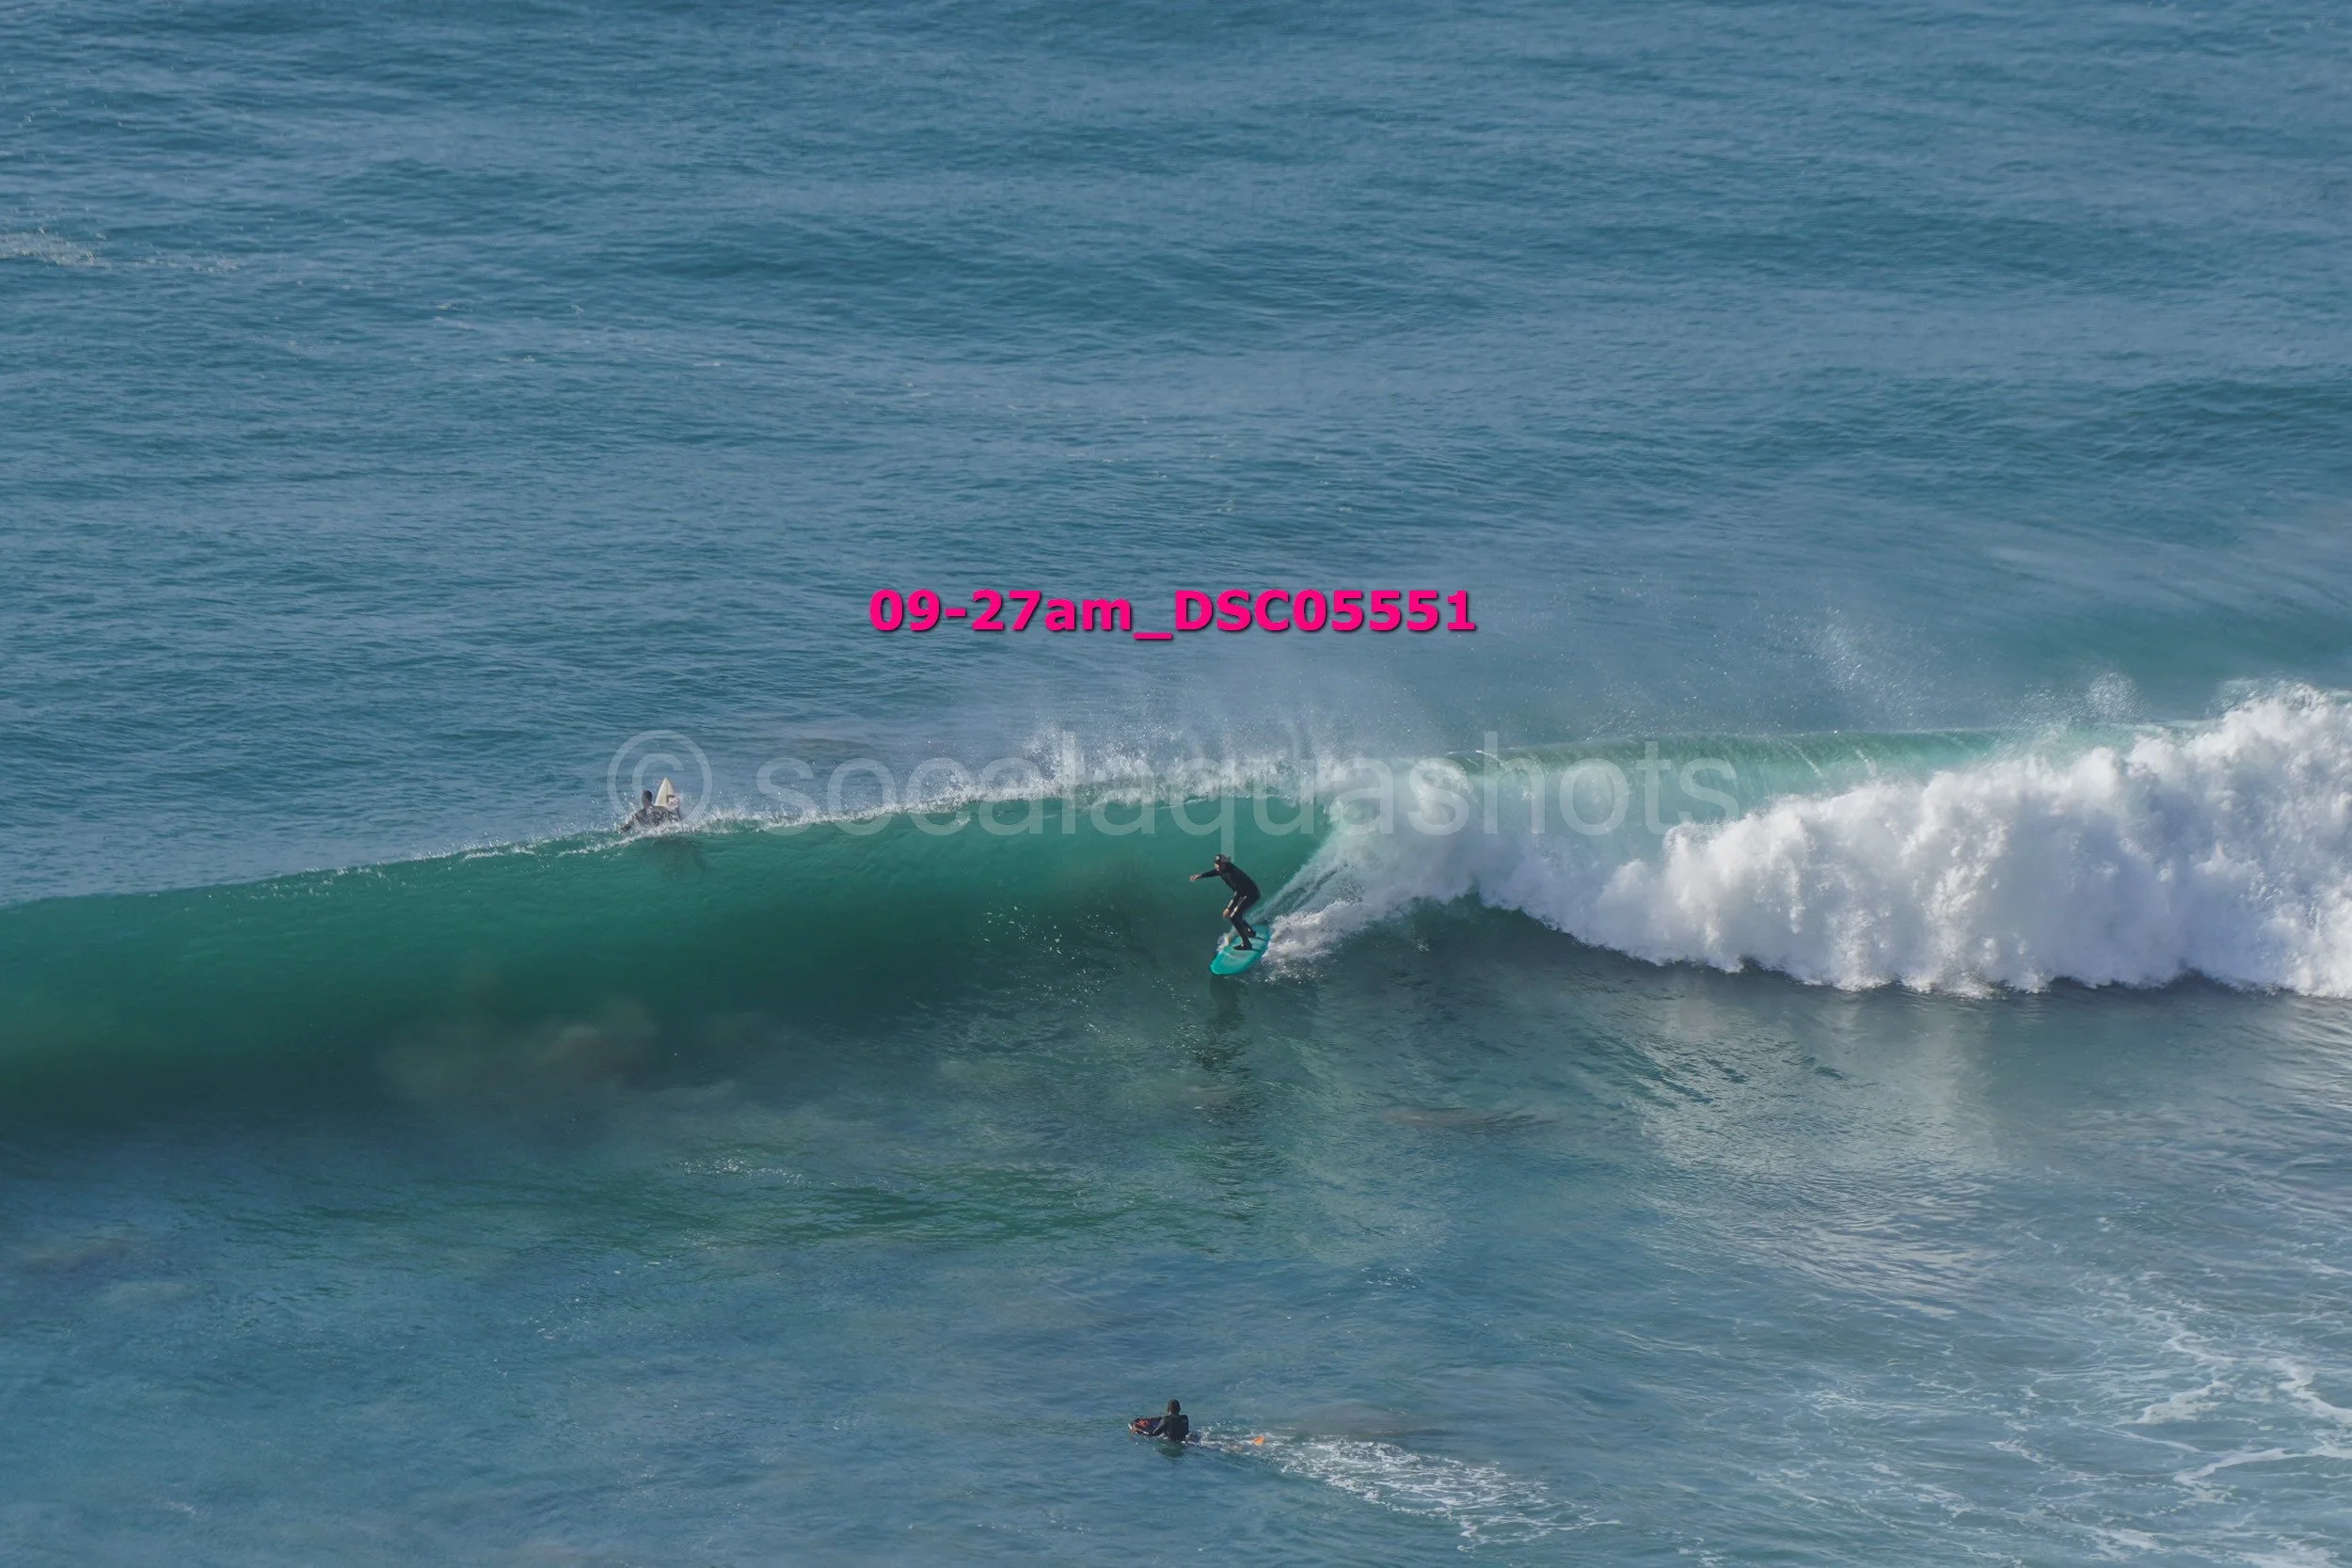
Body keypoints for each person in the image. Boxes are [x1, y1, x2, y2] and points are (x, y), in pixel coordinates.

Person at [1190, 853, 1261, 948]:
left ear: (1225, 864)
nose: (1218, 866)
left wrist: (1228, 908)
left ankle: (1247, 944)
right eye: (1216, 864)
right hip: (1246, 893)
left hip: (1251, 894)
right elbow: (1216, 872)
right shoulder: (1222, 869)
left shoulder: (1231, 874)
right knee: (1237, 914)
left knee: (1233, 917)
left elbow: (1238, 891)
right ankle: (1250, 931)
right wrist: (1201, 875)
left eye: (1220, 864)